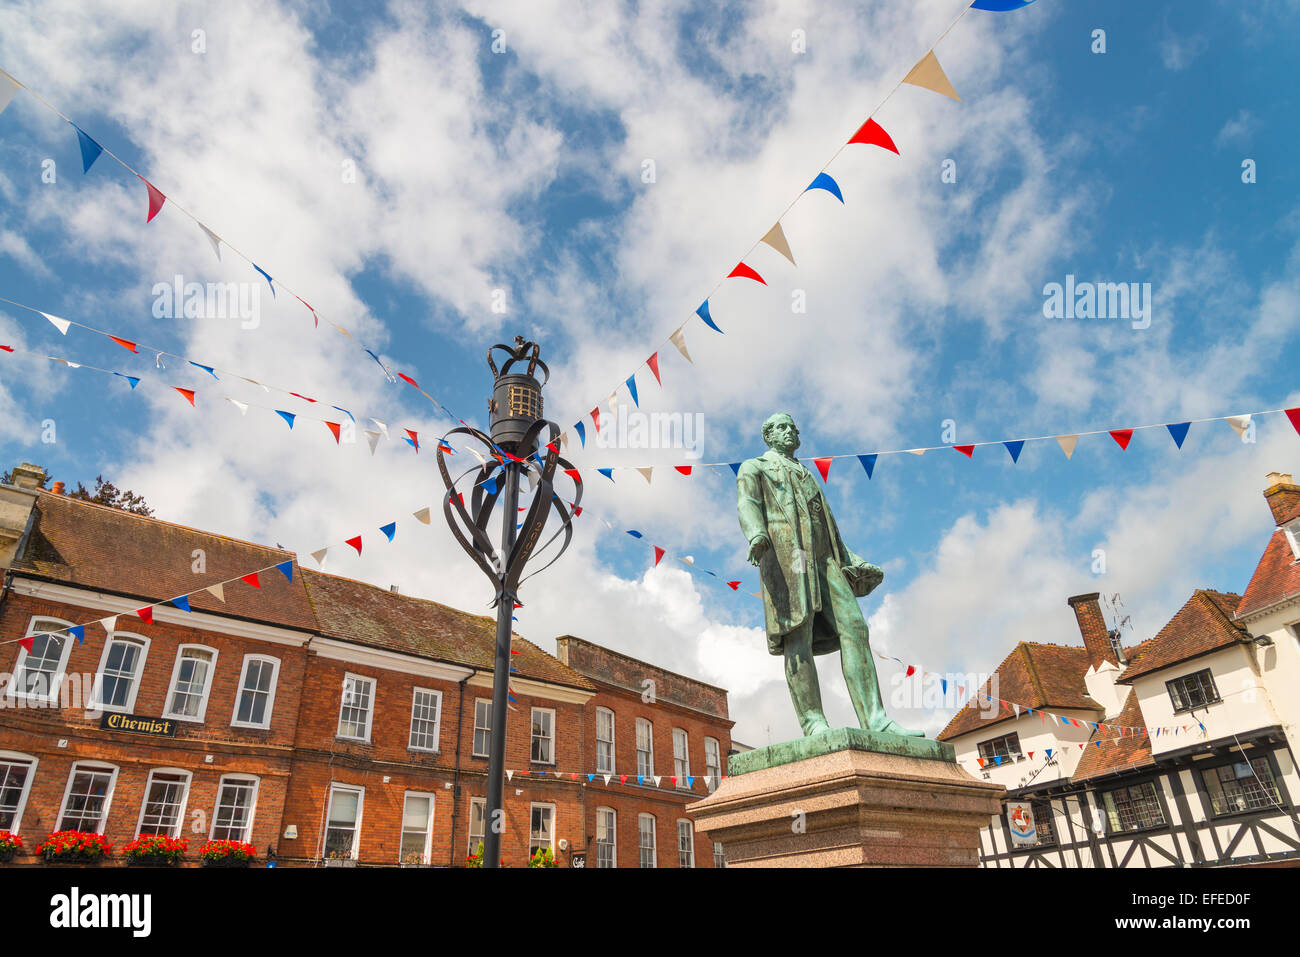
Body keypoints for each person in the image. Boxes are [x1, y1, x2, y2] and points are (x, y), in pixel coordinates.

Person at [737, 413, 923, 738]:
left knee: (855, 627)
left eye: (793, 425)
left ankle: (876, 719)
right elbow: (747, 502)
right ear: (768, 435)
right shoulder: (755, 467)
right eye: (781, 426)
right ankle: (814, 723)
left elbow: (827, 527)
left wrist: (852, 560)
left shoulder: (808, 474)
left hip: (824, 562)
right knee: (798, 634)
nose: (790, 430)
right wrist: (756, 534)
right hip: (786, 558)